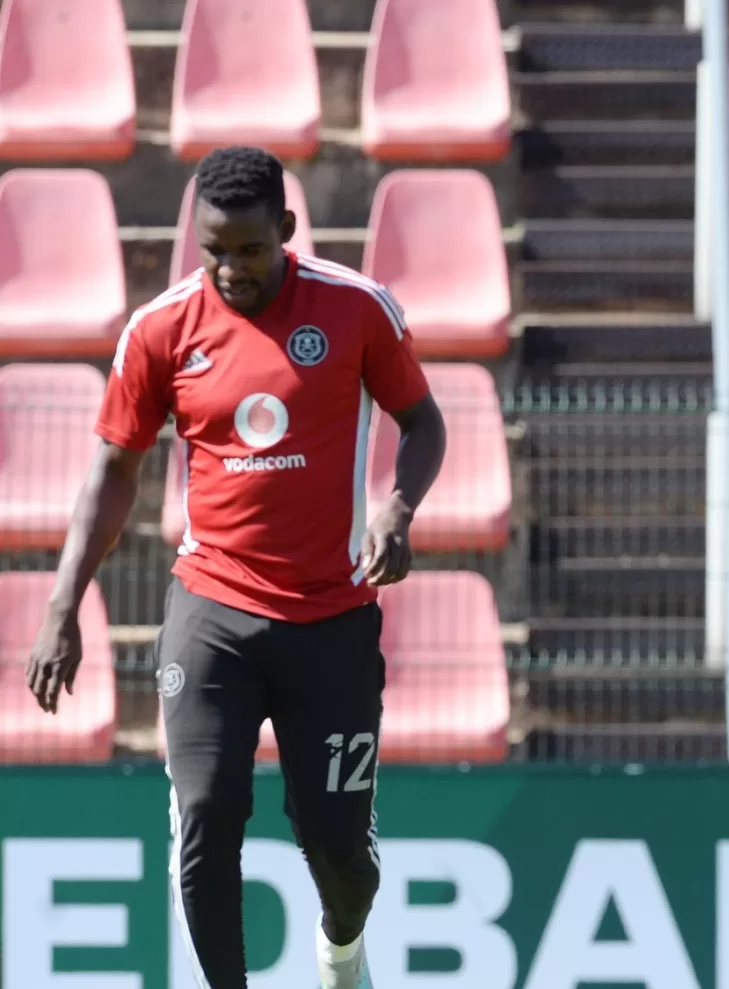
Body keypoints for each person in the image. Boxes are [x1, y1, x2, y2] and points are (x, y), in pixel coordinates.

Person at [24, 146, 447, 989]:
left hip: (331, 617)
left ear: (284, 231)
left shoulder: (357, 309)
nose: (229, 268)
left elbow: (424, 423)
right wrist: (62, 603)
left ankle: (340, 951)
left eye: (249, 250)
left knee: (339, 855)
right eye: (212, 249)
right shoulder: (160, 330)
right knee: (208, 816)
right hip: (212, 610)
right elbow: (112, 474)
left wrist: (398, 508)